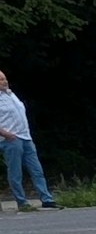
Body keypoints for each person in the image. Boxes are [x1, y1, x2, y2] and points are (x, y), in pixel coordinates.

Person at [0, 71, 59, 211]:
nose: (4, 81)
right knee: (15, 172)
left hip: (25, 137)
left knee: (36, 170)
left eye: (4, 78)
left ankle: (46, 199)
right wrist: (5, 134)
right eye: (0, 79)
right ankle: (22, 202)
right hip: (11, 139)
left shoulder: (11, 94)